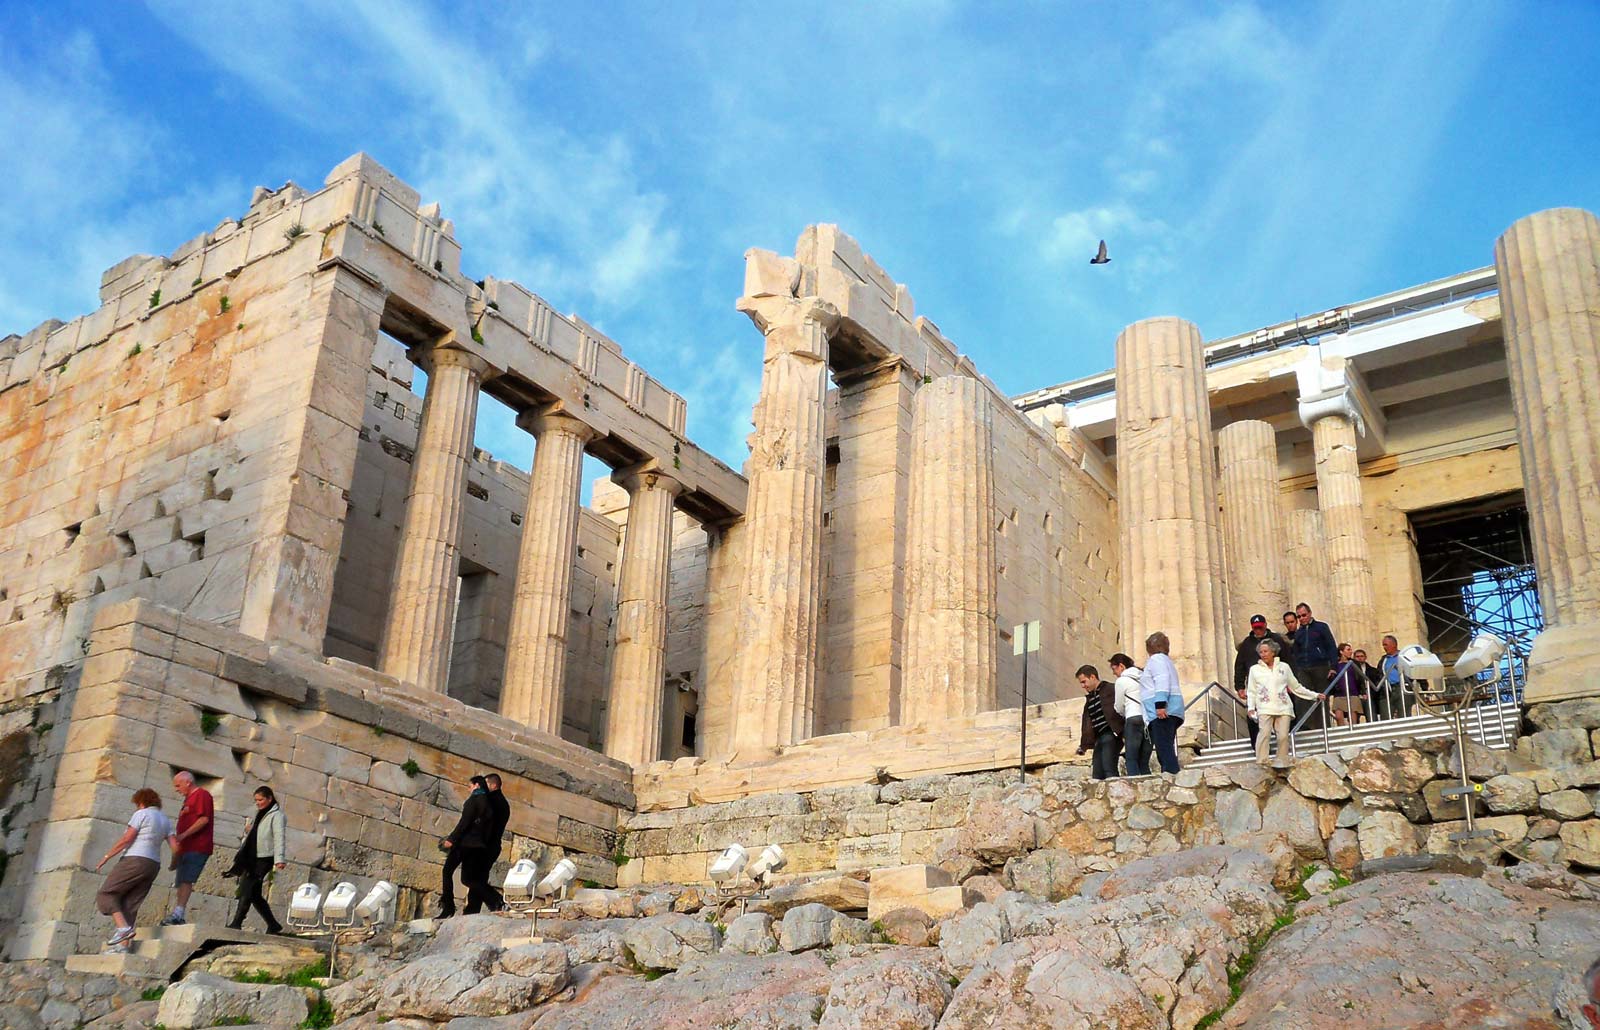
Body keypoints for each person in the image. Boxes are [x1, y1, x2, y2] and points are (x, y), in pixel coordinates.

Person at [95, 788, 178, 953]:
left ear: (141, 801)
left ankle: (123, 929)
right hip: (153, 864)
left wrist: (107, 856)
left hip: (134, 859)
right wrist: (173, 864)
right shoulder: (165, 820)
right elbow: (175, 847)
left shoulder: (142, 814)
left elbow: (127, 839)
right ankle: (123, 947)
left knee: (106, 894)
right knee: (130, 904)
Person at [1245, 638, 1323, 768]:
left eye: (1266, 651)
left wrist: (1314, 695)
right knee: (1264, 734)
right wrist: (1251, 707)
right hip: (1264, 707)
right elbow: (1251, 690)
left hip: (1283, 707)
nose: (1263, 654)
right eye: (1261, 652)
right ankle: (1261, 761)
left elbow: (1296, 687)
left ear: (1273, 652)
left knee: (1282, 737)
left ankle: (1282, 761)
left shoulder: (1284, 667)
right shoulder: (1255, 669)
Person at [224, 786, 286, 934]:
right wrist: (250, 831)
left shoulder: (277, 816)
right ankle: (273, 925)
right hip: (252, 857)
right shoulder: (259, 814)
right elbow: (256, 835)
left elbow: (279, 837)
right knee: (254, 894)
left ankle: (237, 922)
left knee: (247, 888)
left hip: (265, 857)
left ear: (269, 798)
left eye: (260, 800)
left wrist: (279, 858)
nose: (257, 803)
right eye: (256, 800)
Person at [159, 771, 214, 927]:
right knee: (182, 880)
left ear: (187, 782)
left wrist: (183, 836)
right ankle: (178, 912)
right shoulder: (188, 799)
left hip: (197, 845)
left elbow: (204, 819)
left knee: (186, 880)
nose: (176, 789)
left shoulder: (202, 795)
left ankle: (178, 913)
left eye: (178, 785)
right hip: (187, 847)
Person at [1233, 615, 1294, 748]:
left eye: (1260, 627)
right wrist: (1239, 686)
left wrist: (1290, 682)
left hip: (1277, 684)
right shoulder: (1247, 644)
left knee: (1281, 715)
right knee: (1254, 716)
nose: (1258, 631)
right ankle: (1257, 747)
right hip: (1256, 685)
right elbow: (1240, 666)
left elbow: (1288, 661)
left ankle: (1283, 744)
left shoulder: (1277, 640)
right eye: (1255, 628)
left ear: (1265, 625)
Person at [443, 775, 499, 915]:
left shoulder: (473, 801)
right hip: (478, 846)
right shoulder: (488, 803)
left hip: (464, 845)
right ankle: (496, 899)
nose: (469, 789)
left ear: (476, 785)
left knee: (447, 872)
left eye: (470, 786)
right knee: (469, 879)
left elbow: (464, 822)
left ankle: (448, 907)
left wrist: (451, 839)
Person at [1142, 632, 1185, 774]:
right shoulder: (1165, 661)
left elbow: (1162, 681)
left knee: (1164, 747)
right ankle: (1168, 772)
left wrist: (1160, 705)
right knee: (1165, 746)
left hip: (1163, 711)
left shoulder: (1157, 660)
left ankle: (1171, 774)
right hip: (1171, 710)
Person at [1291, 604, 1338, 731]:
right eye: (1299, 616)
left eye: (1304, 615)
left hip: (1321, 666)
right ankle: (1308, 727)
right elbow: (1295, 652)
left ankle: (1324, 727)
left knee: (1322, 697)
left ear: (1310, 613)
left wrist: (1333, 667)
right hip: (1303, 668)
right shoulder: (1299, 633)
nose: (1302, 618)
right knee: (1304, 697)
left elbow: (1331, 647)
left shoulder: (1321, 627)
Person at [1075, 665, 1125, 780]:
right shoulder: (1090, 700)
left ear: (1092, 677)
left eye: (1084, 682)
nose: (1083, 686)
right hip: (1099, 739)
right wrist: (1084, 745)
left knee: (1109, 768)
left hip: (1111, 735)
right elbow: (1087, 725)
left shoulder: (1111, 689)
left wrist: (1122, 732)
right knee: (1097, 774)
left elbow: (1121, 710)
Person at [1109, 653, 1152, 776]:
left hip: (1133, 717)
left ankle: (1135, 788)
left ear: (1121, 666)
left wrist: (1124, 713)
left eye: (1114, 668)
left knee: (1131, 758)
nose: (1114, 673)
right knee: (1144, 762)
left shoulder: (1122, 681)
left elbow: (1118, 705)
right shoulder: (1144, 677)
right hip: (1147, 720)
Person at [1327, 643, 1366, 725]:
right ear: (1341, 652)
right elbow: (1331, 677)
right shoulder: (1335, 664)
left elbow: (1360, 678)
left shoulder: (1354, 663)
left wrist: (1363, 692)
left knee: (1353, 716)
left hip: (1353, 692)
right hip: (1339, 693)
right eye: (1348, 650)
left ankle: (1353, 734)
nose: (1351, 652)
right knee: (1338, 716)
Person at [1377, 635, 1409, 719]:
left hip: (1402, 688)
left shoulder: (1404, 656)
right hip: (1388, 690)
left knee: (1404, 715)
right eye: (1383, 645)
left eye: (1385, 645)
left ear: (1394, 645)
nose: (1384, 647)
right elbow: (1379, 674)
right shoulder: (1383, 659)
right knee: (1386, 716)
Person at [1352, 648, 1385, 719]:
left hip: (1370, 695)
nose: (1360, 658)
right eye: (1357, 657)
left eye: (1361, 656)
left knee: (1371, 715)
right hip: (1355, 695)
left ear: (1365, 657)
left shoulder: (1373, 671)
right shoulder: (1350, 671)